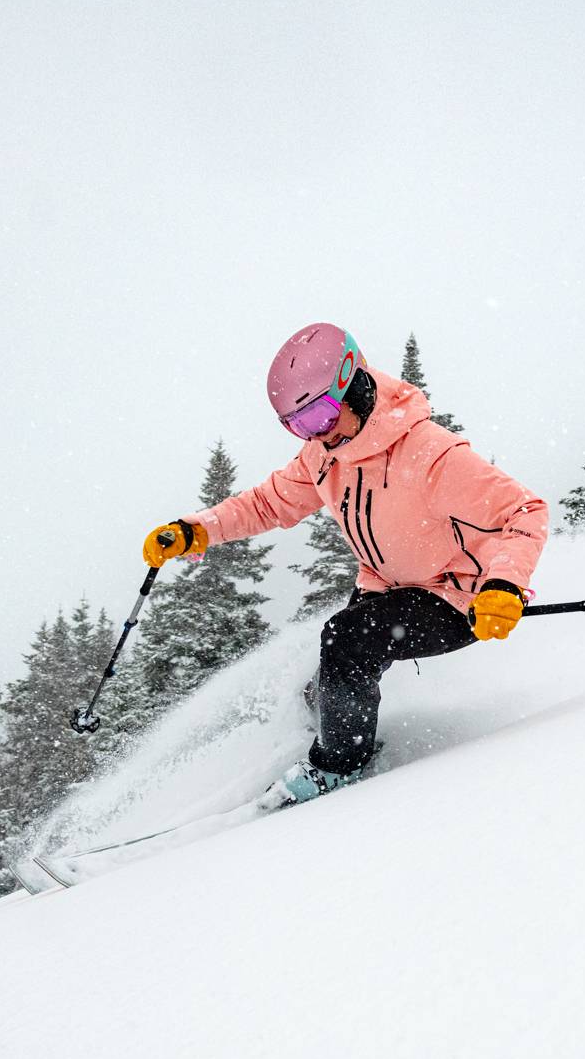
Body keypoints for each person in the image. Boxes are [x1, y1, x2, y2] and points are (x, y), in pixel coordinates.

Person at [143, 323, 548, 807]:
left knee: (346, 641)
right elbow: (268, 503)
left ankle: (338, 767)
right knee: (336, 666)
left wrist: (503, 585)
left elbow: (523, 512)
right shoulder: (324, 454)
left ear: (352, 386)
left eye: (317, 416)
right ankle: (330, 715)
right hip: (387, 586)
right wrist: (198, 529)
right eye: (297, 425)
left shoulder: (430, 453)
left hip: (458, 596)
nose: (313, 434)